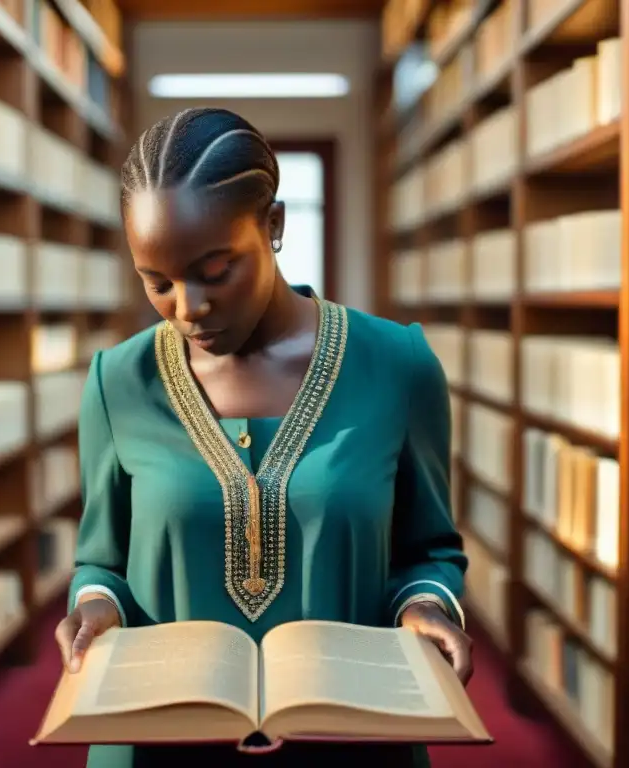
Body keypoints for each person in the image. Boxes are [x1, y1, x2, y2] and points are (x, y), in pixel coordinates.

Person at [55, 107, 472, 768]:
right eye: (157, 282)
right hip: (160, 746)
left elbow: (429, 548)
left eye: (215, 270)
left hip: (350, 745)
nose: (188, 308)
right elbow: (99, 560)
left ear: (274, 226)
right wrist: (96, 605)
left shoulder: (398, 365)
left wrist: (425, 605)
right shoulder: (118, 381)